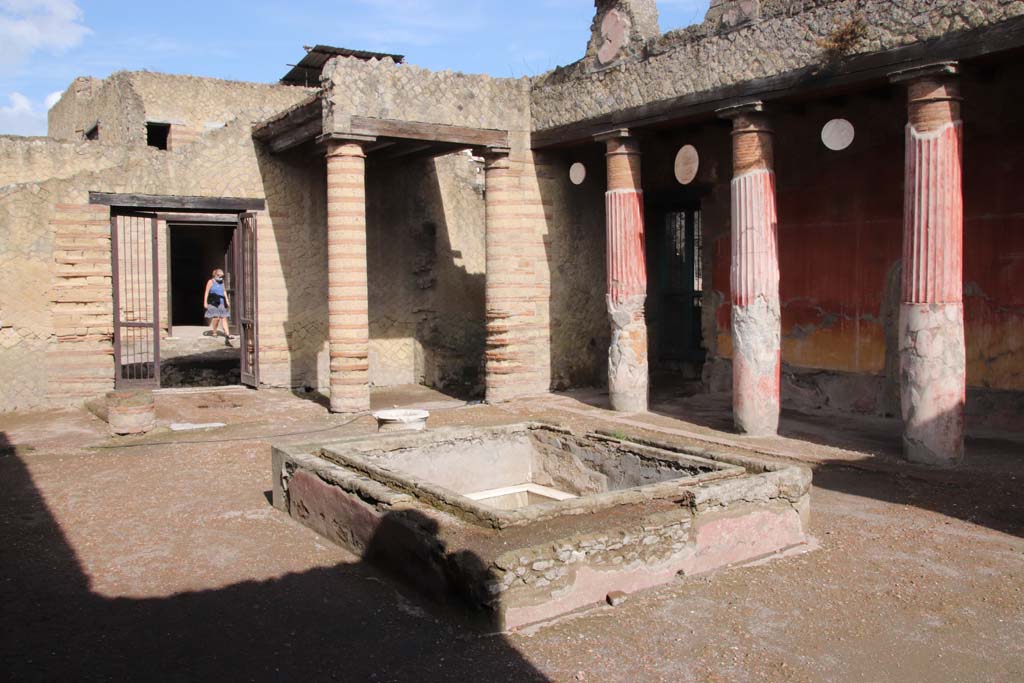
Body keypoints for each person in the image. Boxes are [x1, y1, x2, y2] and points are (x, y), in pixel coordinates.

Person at [203, 268, 233, 342]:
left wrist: (227, 300)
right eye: (219, 275)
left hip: (221, 302)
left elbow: (224, 291)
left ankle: (227, 334)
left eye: (222, 276)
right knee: (216, 317)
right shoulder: (210, 282)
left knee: (224, 317)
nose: (221, 277)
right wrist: (205, 302)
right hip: (213, 302)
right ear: (215, 275)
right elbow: (206, 292)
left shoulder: (222, 282)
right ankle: (214, 331)